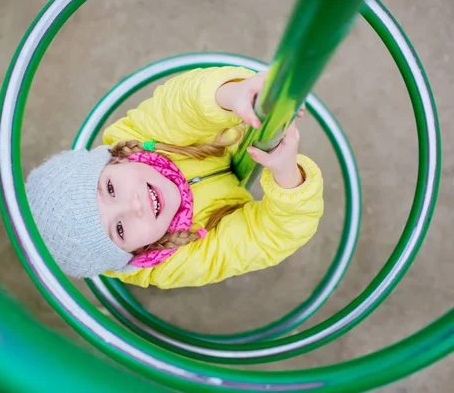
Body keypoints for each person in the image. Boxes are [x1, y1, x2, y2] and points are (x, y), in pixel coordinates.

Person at [26, 67, 324, 289]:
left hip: (230, 132)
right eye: (119, 228)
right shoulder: (174, 263)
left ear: (114, 160)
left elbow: (181, 106)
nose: (134, 205)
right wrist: (288, 177)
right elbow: (269, 237)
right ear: (135, 252)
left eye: (111, 188)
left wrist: (229, 96)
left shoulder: (137, 138)